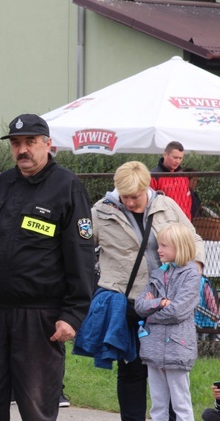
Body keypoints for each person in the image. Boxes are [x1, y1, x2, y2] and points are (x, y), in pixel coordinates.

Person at [0, 113, 95, 421]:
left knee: (36, 409)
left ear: (48, 145)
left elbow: (81, 257)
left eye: (30, 142)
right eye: (17, 143)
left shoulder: (67, 187)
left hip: (40, 318)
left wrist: (72, 315)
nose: (23, 149)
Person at [86, 160, 205, 421]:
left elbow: (193, 238)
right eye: (124, 196)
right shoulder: (100, 212)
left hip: (167, 305)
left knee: (170, 369)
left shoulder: (167, 207)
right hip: (127, 302)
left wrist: (194, 267)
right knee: (131, 370)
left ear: (147, 186)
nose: (130, 202)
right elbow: (80, 247)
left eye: (135, 197)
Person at [135, 223, 201, 421]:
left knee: (181, 403)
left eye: (164, 246)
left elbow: (177, 311)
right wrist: (160, 302)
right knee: (158, 403)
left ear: (179, 247)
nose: (158, 250)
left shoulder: (191, 276)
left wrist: (150, 314)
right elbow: (139, 305)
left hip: (178, 348)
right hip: (153, 347)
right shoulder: (157, 274)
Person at [151, 141, 193, 219]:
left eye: (180, 158)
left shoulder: (183, 176)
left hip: (183, 221)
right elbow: (150, 203)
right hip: (164, 222)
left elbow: (188, 201)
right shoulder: (154, 176)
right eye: (175, 157)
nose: (177, 161)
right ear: (165, 155)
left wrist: (187, 220)